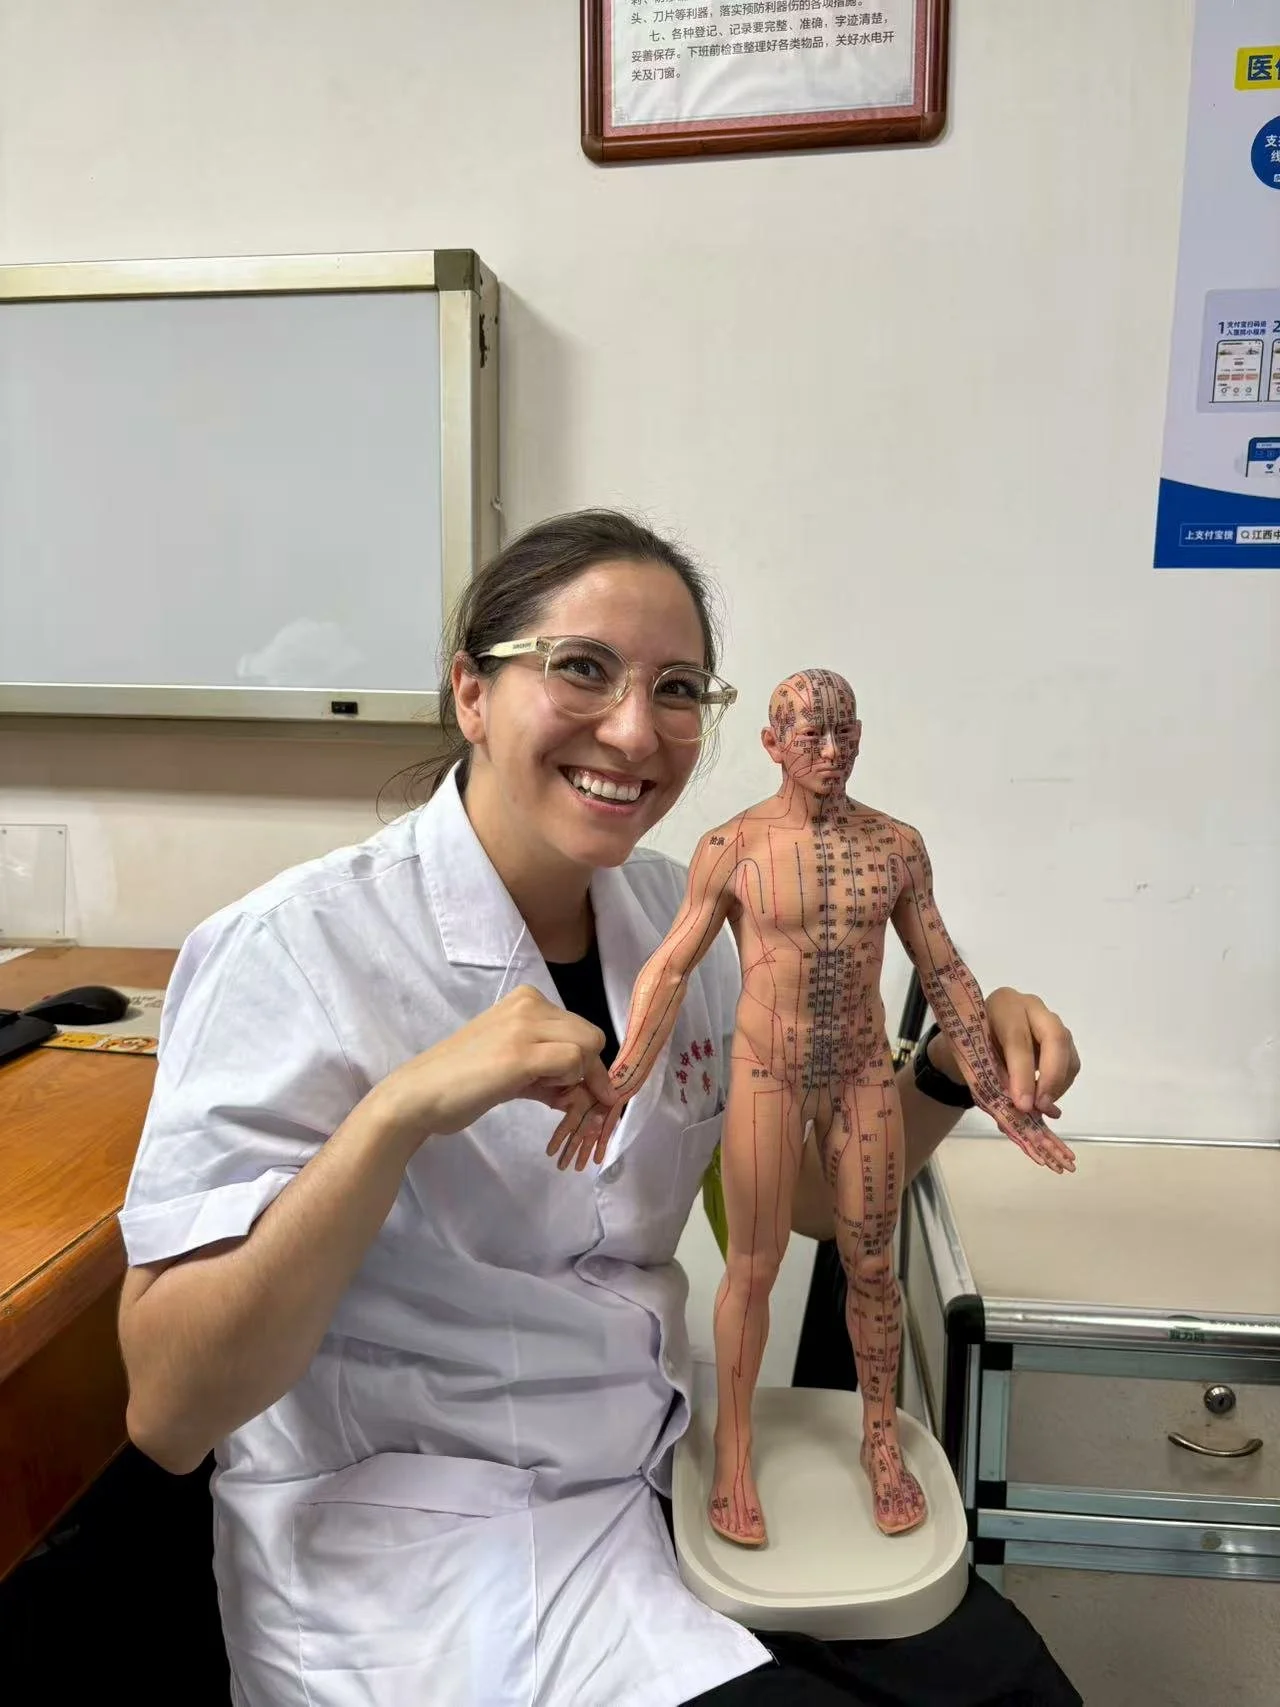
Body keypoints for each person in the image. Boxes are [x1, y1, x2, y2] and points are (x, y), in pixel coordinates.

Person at [117, 511, 1082, 1707]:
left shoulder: (682, 923)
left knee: (1015, 1692)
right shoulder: (296, 950)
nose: (633, 729)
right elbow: (167, 1409)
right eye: (580, 668)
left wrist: (945, 1068)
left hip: (653, 1485)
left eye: (676, 688)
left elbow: (817, 1213)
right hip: (426, 1552)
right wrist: (399, 1114)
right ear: (471, 692)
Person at [547, 667, 1075, 1548]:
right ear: (771, 744)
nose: (830, 753)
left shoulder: (896, 845)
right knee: (751, 1268)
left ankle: (879, 1441)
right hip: (765, 1069)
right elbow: (671, 964)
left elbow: (942, 968)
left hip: (863, 1066)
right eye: (809, 736)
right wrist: (623, 1076)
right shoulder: (734, 845)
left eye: (844, 734)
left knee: (874, 1265)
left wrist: (993, 1089)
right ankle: (737, 1449)